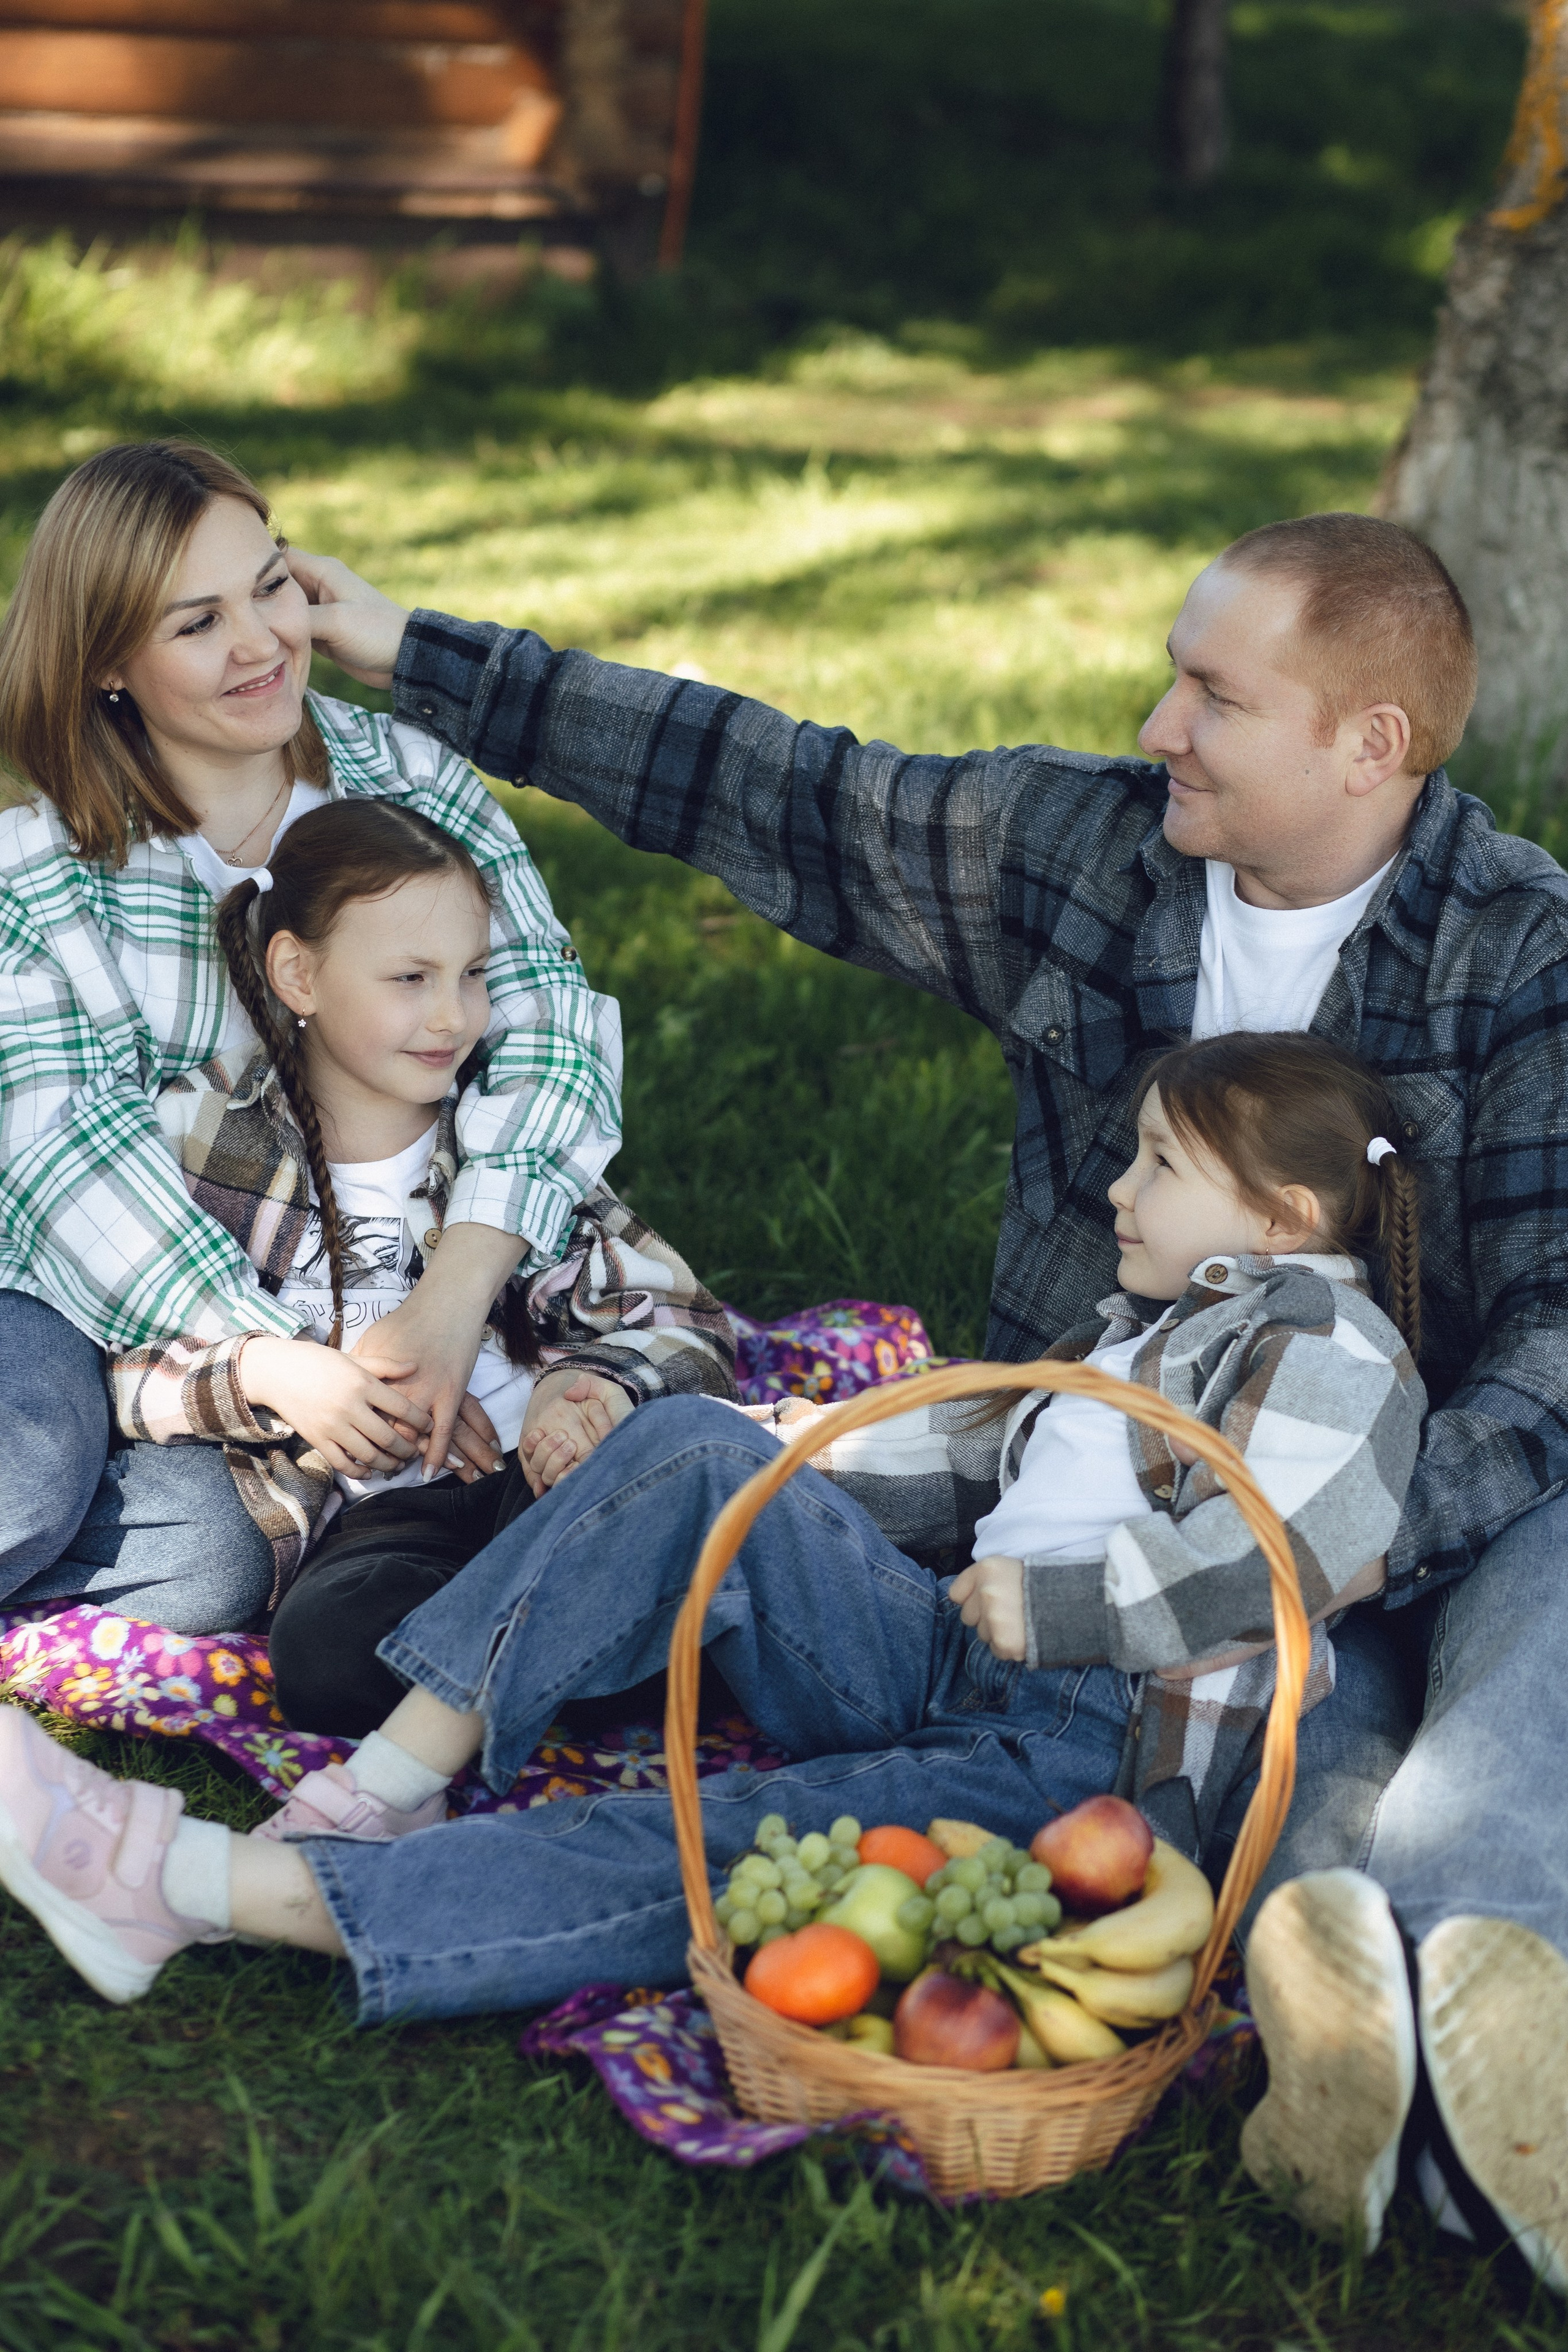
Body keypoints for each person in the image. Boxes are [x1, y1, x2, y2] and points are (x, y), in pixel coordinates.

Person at [270, 510, 1568, 2282]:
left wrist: (1334, 1546)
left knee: (1466, 1741)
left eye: (1212, 694)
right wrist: (412, 649)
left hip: (1459, 1484)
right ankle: (1370, 2075)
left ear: (1369, 746)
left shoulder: (1523, 951)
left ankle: (1495, 2049)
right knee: (1283, 1809)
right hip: (1144, 1528)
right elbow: (773, 781)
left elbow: (1558, 1334)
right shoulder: (1096, 853)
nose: (1155, 725)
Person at [0, 1028, 1422, 2015]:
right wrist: (765, 1459)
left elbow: (1283, 1558)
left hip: (1088, 1763)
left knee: (699, 1846)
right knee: (683, 1442)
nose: (1116, 1188)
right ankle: (389, 1778)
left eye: (1159, 1165)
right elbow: (957, 1457)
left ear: (1281, 1216)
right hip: (946, 1662)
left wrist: (1060, 1611)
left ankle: (190, 1880)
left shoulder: (1326, 1347)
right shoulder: (1147, 1331)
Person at [0, 439, 627, 1632]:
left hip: (341, 1275)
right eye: (197, 622)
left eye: (272, 584)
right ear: (108, 668)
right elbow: (61, 1160)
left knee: (219, 1561)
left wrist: (452, 1299)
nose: (260, 643)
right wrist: (273, 1356)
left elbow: (548, 1028)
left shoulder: (408, 789)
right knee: (27, 1467)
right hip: (67, 1280)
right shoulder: (38, 873)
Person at [108, 797, 733, 1694]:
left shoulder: (501, 1135)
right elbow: (125, 1359)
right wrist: (275, 1378)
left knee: (652, 1522)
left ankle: (531, 1657)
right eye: (411, 979)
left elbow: (679, 1316)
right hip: (380, 1521)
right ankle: (587, 1655)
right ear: (299, 975)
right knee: (323, 1653)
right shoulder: (206, 1139)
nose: (454, 1017)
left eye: (472, 974)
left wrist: (586, 1384)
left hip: (540, 1481)